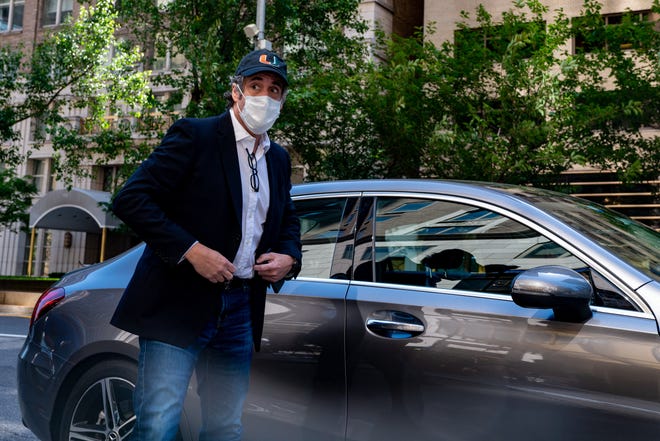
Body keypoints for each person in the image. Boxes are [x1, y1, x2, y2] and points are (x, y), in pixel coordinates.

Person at [110, 48, 302, 441]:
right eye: (256, 86)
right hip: (177, 302)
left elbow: (288, 221)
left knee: (225, 427)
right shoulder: (195, 135)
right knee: (158, 426)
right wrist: (192, 250)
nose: (265, 96)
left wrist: (290, 257)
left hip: (239, 309)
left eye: (275, 89)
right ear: (237, 92)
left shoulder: (278, 159)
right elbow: (132, 200)